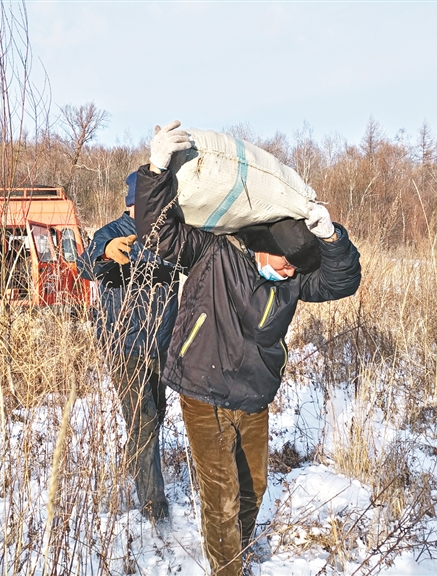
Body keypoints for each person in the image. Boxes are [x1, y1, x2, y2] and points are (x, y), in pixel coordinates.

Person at [134, 121, 362, 574]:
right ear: (262, 247)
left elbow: (343, 282)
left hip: (255, 394)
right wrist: (156, 170)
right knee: (220, 495)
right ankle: (227, 567)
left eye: (298, 266)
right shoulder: (212, 253)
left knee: (252, 487)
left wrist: (333, 240)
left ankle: (235, 548)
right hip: (204, 389)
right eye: (285, 261)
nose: (291, 270)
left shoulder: (293, 282)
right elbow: (158, 234)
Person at [79, 172, 180, 523]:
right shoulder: (112, 233)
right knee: (144, 420)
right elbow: (85, 265)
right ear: (131, 202)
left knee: (156, 416)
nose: (154, 209)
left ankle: (137, 463)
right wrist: (104, 253)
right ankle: (153, 508)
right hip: (125, 346)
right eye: (147, 202)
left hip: (161, 345)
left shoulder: (170, 235)